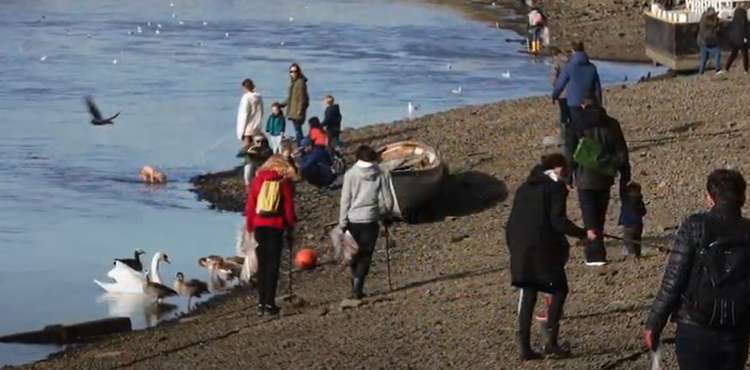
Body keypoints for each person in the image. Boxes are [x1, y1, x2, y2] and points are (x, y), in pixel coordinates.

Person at [645, 169, 750, 370]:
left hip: (694, 326)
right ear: (743, 197)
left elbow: (673, 280)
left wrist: (654, 323)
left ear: (710, 198)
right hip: (736, 330)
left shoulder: (694, 225)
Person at [506, 154, 592, 360]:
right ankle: (550, 340)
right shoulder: (555, 188)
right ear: (558, 169)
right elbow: (558, 221)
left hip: (519, 247)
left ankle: (525, 348)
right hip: (543, 248)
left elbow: (511, 222)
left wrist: (514, 248)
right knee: (560, 289)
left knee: (529, 292)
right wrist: (584, 233)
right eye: (566, 171)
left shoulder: (523, 188)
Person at [564, 101, 630, 266]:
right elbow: (622, 151)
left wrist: (567, 177)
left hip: (584, 179)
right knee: (599, 216)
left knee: (589, 218)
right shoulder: (611, 123)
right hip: (605, 176)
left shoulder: (576, 124)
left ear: (583, 105)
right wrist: (624, 175)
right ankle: (597, 250)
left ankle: (595, 255)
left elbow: (570, 152)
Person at [338, 145, 394, 299]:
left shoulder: (350, 174)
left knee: (353, 253)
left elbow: (345, 200)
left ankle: (355, 283)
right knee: (366, 255)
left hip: (352, 220)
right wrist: (384, 215)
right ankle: (358, 286)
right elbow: (387, 200)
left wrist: (342, 222)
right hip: (371, 220)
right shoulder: (382, 173)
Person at [245, 155, 297, 317]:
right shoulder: (283, 182)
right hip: (276, 226)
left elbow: (251, 206)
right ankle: (270, 304)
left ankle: (260, 303)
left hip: (259, 226)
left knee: (262, 266)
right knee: (273, 266)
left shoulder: (257, 180)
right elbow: (288, 207)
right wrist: (290, 226)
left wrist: (250, 227)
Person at [552, 41, 602, 129]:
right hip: (589, 102)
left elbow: (560, 84)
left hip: (574, 102)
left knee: (576, 127)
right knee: (589, 127)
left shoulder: (569, 66)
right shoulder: (592, 67)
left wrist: (554, 95)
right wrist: (599, 103)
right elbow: (597, 88)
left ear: (573, 51)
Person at [279, 63, 309, 146]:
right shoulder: (294, 82)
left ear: (299, 72)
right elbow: (290, 98)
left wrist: (300, 110)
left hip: (297, 111)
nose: (293, 73)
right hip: (293, 110)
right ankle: (301, 145)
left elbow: (302, 98)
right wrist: (282, 104)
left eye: (295, 71)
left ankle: (301, 146)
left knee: (298, 130)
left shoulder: (300, 83)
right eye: (291, 71)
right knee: (297, 129)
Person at [618, 182, 647, 257]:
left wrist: (620, 222)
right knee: (637, 239)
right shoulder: (639, 200)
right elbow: (644, 212)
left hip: (628, 225)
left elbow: (623, 212)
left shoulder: (626, 200)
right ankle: (638, 253)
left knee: (628, 239)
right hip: (638, 224)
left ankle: (632, 253)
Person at [550, 47, 570, 149]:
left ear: (554, 55)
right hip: (572, 92)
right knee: (571, 114)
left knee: (563, 115)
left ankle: (564, 137)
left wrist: (554, 92)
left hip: (562, 93)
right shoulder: (569, 60)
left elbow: (554, 78)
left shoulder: (557, 62)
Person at [236, 79, 264, 147]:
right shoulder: (259, 97)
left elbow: (244, 115)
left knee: (247, 148)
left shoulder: (246, 98)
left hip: (248, 129)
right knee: (257, 147)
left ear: (244, 87)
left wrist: (240, 132)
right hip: (257, 127)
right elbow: (262, 111)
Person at [697, 7, 723, 75]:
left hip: (702, 41)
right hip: (708, 42)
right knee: (717, 53)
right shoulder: (707, 20)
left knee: (704, 58)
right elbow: (714, 24)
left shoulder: (703, 18)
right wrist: (716, 17)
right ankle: (718, 70)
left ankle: (701, 72)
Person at [725, 6, 749, 73]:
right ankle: (745, 70)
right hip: (742, 40)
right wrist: (746, 38)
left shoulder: (734, 21)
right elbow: (746, 31)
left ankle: (727, 68)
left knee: (733, 54)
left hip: (734, 40)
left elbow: (730, 31)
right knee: (745, 55)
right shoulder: (744, 21)